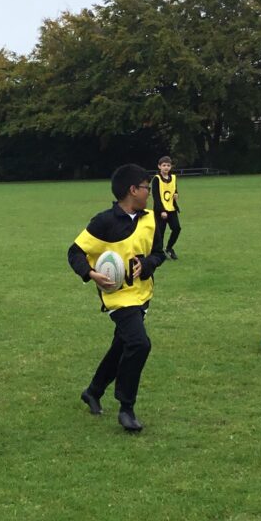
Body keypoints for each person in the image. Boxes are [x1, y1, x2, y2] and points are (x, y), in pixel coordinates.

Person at [68, 164, 167, 432]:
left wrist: (146, 265)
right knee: (139, 343)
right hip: (117, 298)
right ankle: (126, 408)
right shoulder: (104, 222)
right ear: (132, 190)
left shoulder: (150, 219)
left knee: (122, 346)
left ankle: (93, 391)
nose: (149, 192)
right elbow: (75, 252)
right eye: (146, 187)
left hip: (142, 294)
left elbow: (159, 253)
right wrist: (91, 274)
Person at [151, 155, 181, 259]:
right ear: (159, 166)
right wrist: (161, 211)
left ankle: (169, 248)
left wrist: (176, 194)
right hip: (161, 211)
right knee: (160, 232)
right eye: (164, 165)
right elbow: (156, 196)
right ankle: (159, 252)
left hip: (172, 209)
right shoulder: (156, 179)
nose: (166, 167)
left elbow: (174, 189)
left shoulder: (173, 178)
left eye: (168, 165)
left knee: (177, 228)